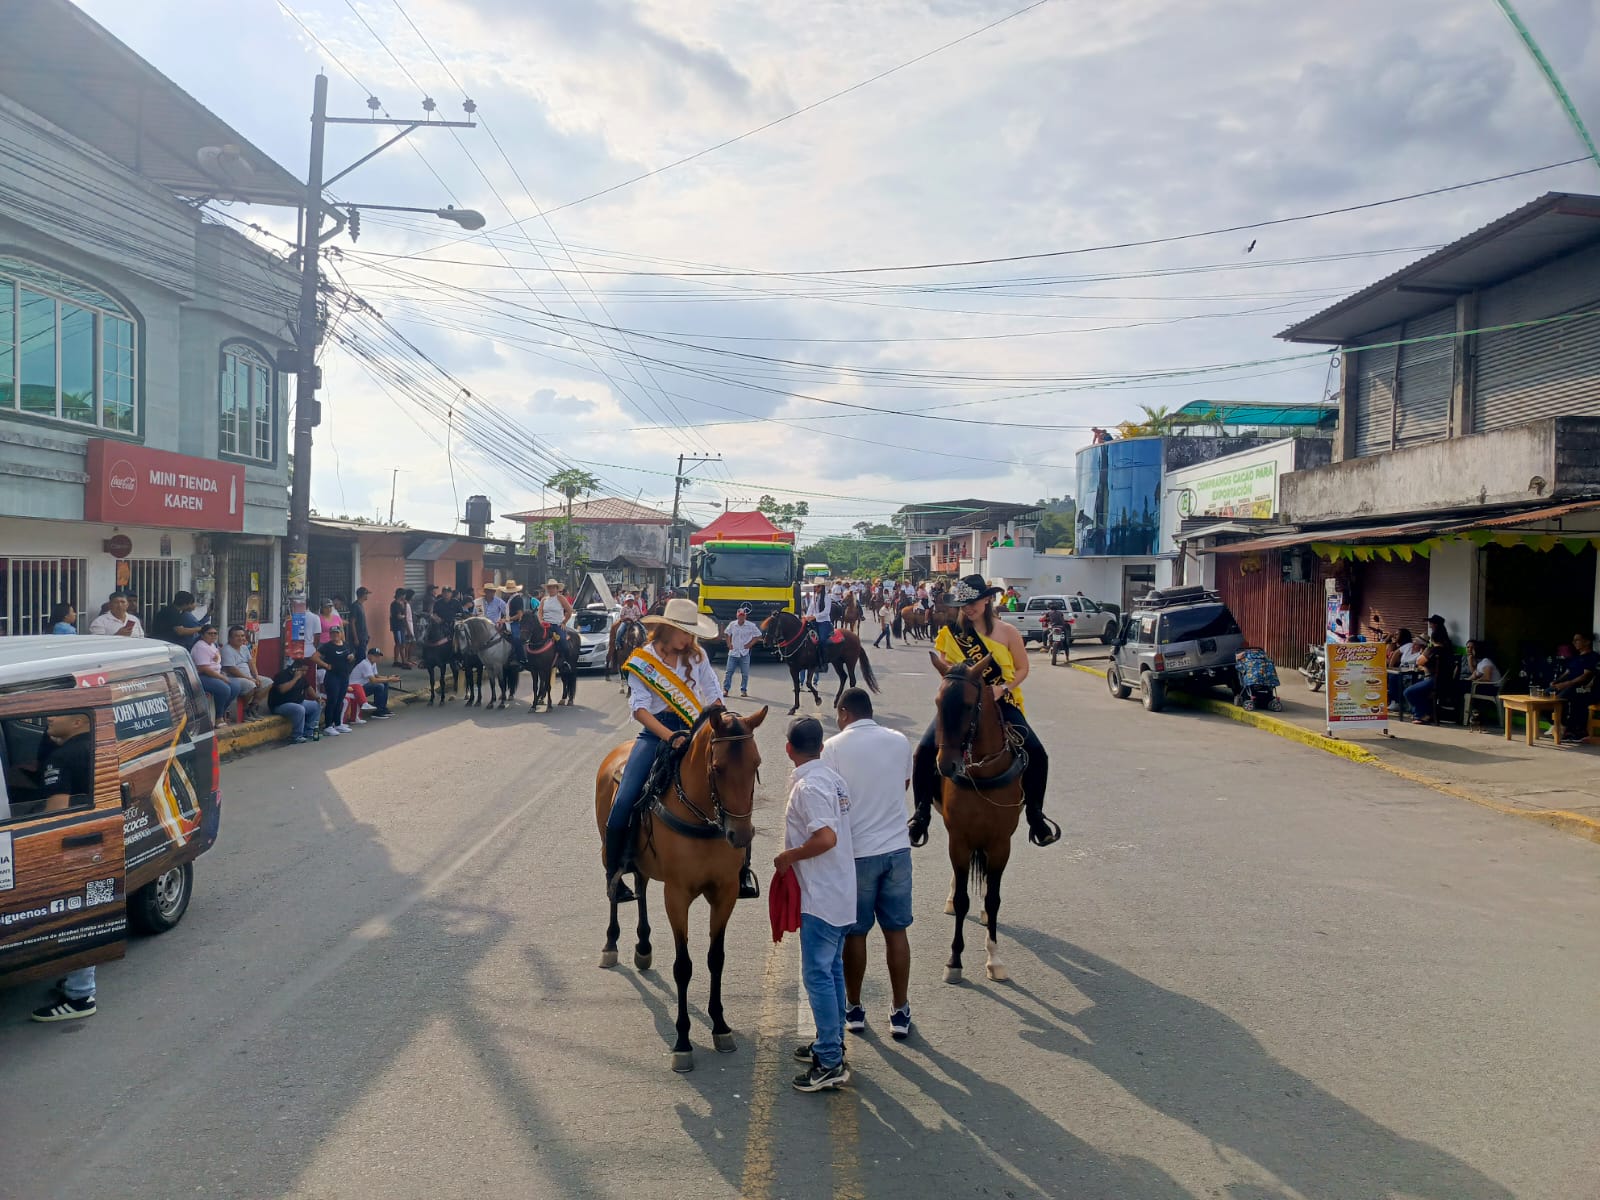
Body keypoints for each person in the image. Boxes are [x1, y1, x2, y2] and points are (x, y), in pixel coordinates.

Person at [606, 598, 760, 901]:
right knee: (624, 798)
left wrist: (722, 723)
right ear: (667, 629)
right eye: (684, 632)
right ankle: (615, 871)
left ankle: (741, 871)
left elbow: (714, 694)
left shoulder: (697, 656)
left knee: (735, 787)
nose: (689, 639)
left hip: (697, 729)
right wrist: (669, 736)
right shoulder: (642, 661)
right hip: (656, 733)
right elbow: (639, 709)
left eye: (692, 633)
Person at [909, 574, 1060, 849]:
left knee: (1037, 752)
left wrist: (1003, 687)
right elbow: (947, 671)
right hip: (962, 704)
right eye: (963, 604)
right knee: (924, 750)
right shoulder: (951, 633)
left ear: (988, 600)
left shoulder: (1008, 632)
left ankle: (1035, 816)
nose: (968, 609)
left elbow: (1023, 668)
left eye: (973, 603)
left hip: (1001, 701)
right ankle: (921, 814)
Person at [823, 688, 915, 1042]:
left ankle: (855, 1007)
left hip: (858, 853)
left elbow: (833, 800)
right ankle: (900, 1009)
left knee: (856, 933)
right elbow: (903, 785)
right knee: (897, 932)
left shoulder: (833, 747)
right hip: (897, 849)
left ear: (844, 712)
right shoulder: (899, 741)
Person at [778, 715, 856, 1093]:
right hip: (840, 890)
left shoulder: (808, 787)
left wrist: (788, 857)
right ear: (821, 747)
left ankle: (828, 1060)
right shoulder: (833, 779)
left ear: (788, 749)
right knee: (833, 971)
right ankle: (832, 1042)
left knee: (817, 975)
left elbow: (825, 838)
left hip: (821, 895)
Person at [28, 711, 99, 1022]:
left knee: (72, 916)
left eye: (57, 714)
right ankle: (77, 981)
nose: (49, 718)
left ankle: (80, 996)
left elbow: (55, 816)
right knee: (86, 911)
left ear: (78, 722)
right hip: (96, 839)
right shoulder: (97, 745)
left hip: (71, 846)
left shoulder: (61, 758)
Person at [191, 624, 245, 725]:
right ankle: (218, 718)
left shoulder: (212, 645)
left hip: (215, 675)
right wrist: (222, 677)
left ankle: (221, 712)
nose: (213, 635)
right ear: (202, 635)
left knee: (236, 686)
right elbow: (203, 668)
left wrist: (221, 675)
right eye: (210, 633)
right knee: (224, 689)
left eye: (215, 633)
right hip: (202, 676)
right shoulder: (200, 647)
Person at [1550, 631, 1598, 739]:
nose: (1574, 642)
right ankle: (1559, 725)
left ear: (1587, 642)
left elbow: (1585, 676)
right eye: (1574, 640)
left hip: (1582, 688)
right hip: (1567, 685)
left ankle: (1571, 729)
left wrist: (1565, 684)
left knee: (1560, 698)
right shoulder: (1575, 657)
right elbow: (1567, 672)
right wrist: (1556, 681)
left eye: (1577, 640)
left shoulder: (1592, 656)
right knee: (1546, 694)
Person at [314, 624, 358, 737]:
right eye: (332, 633)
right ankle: (328, 725)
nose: (335, 635)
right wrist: (326, 665)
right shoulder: (327, 646)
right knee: (332, 700)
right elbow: (314, 657)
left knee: (340, 700)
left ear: (341, 634)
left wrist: (351, 657)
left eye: (337, 633)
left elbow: (352, 654)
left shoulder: (346, 645)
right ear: (330, 635)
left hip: (344, 676)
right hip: (332, 677)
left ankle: (338, 724)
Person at [220, 626, 272, 718]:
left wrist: (256, 677)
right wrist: (250, 679)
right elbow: (232, 669)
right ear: (230, 638)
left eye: (242, 636)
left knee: (268, 682)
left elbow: (251, 663)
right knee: (250, 685)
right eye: (237, 636)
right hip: (233, 678)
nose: (241, 638)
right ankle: (244, 710)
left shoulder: (244, 647)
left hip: (248, 676)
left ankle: (253, 707)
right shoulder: (226, 650)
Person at [1404, 630, 1454, 724]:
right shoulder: (1449, 651)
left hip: (1434, 681)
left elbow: (1419, 661)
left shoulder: (1433, 650)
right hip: (1448, 682)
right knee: (1420, 689)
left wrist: (1424, 653)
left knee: (1409, 692)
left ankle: (1422, 715)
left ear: (1432, 639)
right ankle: (1424, 713)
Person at [269, 659, 323, 744]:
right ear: (295, 669)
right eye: (303, 670)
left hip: (298, 702)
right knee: (299, 709)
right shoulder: (282, 675)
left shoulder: (302, 677)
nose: (305, 673)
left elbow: (308, 687)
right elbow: (282, 690)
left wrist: (317, 698)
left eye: (306, 671)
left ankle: (309, 732)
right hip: (280, 705)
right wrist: (295, 678)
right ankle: (296, 736)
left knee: (317, 705)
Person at [722, 606, 761, 698]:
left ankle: (743, 690)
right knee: (729, 672)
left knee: (745, 673)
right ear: (737, 616)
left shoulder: (750, 625)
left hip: (744, 652)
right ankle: (726, 689)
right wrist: (729, 643)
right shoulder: (732, 624)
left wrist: (750, 644)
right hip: (733, 652)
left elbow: (758, 635)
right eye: (740, 615)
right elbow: (727, 633)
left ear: (745, 616)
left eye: (743, 616)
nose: (741, 617)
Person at [348, 647, 397, 719]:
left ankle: (382, 708)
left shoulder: (373, 663)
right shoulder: (365, 664)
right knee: (379, 686)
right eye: (375, 656)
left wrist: (389, 677)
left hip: (362, 687)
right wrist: (390, 679)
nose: (377, 658)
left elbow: (376, 676)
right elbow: (373, 680)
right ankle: (377, 712)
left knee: (385, 683)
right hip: (355, 689)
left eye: (378, 656)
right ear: (369, 656)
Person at [801, 581, 833, 685]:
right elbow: (810, 608)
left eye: (817, 586)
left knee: (822, 640)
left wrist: (814, 616)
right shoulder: (814, 597)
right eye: (815, 586)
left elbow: (826, 612)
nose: (815, 588)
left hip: (824, 622)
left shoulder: (827, 597)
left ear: (822, 587)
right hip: (814, 621)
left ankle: (823, 661)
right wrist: (807, 617)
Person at [389, 587, 413, 669]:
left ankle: (396, 661)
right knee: (401, 644)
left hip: (399, 627)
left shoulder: (399, 604)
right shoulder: (396, 604)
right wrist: (404, 616)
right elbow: (399, 616)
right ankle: (403, 661)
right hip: (398, 627)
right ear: (401, 595)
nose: (405, 596)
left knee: (398, 644)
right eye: (404, 595)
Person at [348, 587, 371, 660]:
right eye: (366, 594)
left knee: (362, 656)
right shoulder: (355, 606)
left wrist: (366, 635)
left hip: (363, 637)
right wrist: (356, 638)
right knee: (360, 658)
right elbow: (352, 622)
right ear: (362, 595)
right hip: (359, 637)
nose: (367, 596)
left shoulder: (360, 605)